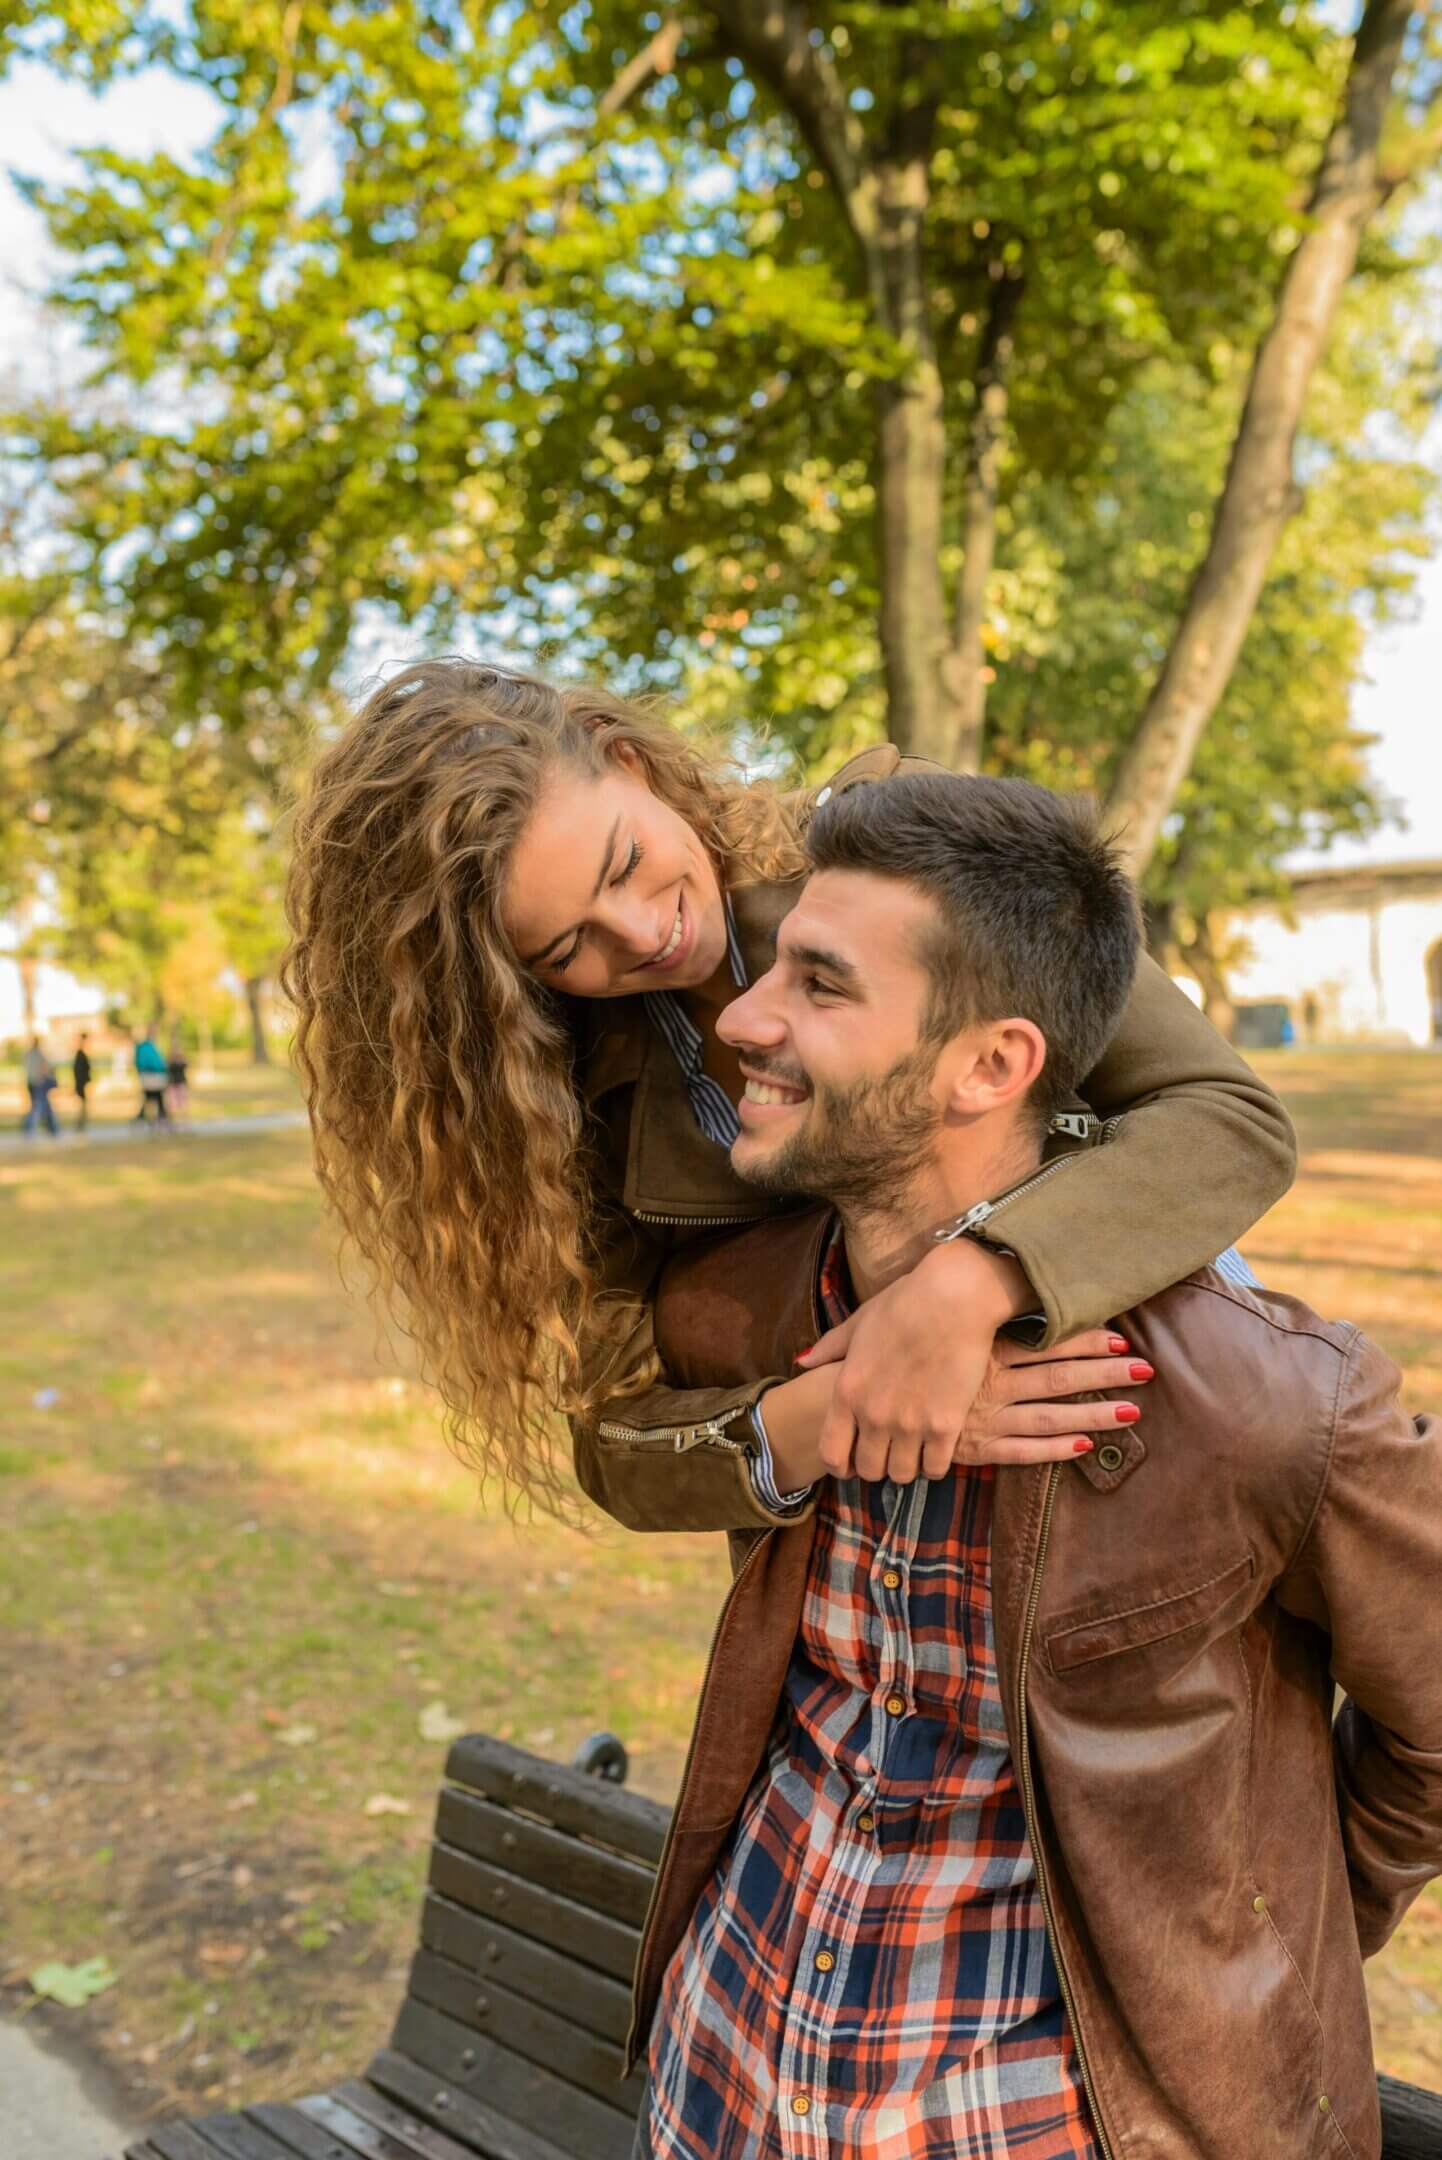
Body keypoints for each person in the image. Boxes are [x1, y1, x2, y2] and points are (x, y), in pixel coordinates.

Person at [629, 773, 1442, 2160]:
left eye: (818, 986)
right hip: (715, 2072)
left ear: (990, 1066)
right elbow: (614, 1450)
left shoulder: (1263, 1402)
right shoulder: (744, 1314)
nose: (742, 1017)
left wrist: (1250, 1937)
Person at [283, 660, 1295, 1525]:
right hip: (859, 1546)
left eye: (626, 864)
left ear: (629, 764)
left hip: (1136, 1419)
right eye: (565, 945)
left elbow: (1221, 1118)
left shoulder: (889, 846)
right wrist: (847, 1408)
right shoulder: (562, 1104)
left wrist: (971, 1284)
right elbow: (617, 1434)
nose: (639, 934)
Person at [21, 1037, 59, 1136]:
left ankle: (51, 1128)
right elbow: (46, 1067)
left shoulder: (28, 1054)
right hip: (38, 1083)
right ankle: (31, 1128)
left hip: (32, 1082)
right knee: (38, 1107)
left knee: (40, 1106)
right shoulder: (37, 1054)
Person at [133, 1028, 171, 1126]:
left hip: (153, 1076)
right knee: (153, 1097)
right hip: (151, 1076)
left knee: (154, 1097)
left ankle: (158, 1117)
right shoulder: (146, 1047)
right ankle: (155, 1117)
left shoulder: (150, 1046)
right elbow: (151, 1062)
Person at [166, 1030, 190, 1123]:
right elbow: (167, 1068)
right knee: (172, 1105)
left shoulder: (182, 1058)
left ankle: (185, 1122)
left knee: (183, 1103)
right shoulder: (169, 1059)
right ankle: (174, 1123)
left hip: (181, 1082)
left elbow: (185, 1065)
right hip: (173, 1083)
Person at [72, 1032, 93, 1132]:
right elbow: (79, 1070)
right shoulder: (80, 1054)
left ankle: (81, 1123)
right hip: (80, 1083)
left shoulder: (81, 1054)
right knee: (82, 1105)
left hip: (82, 1082)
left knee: (83, 1104)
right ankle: (80, 1124)